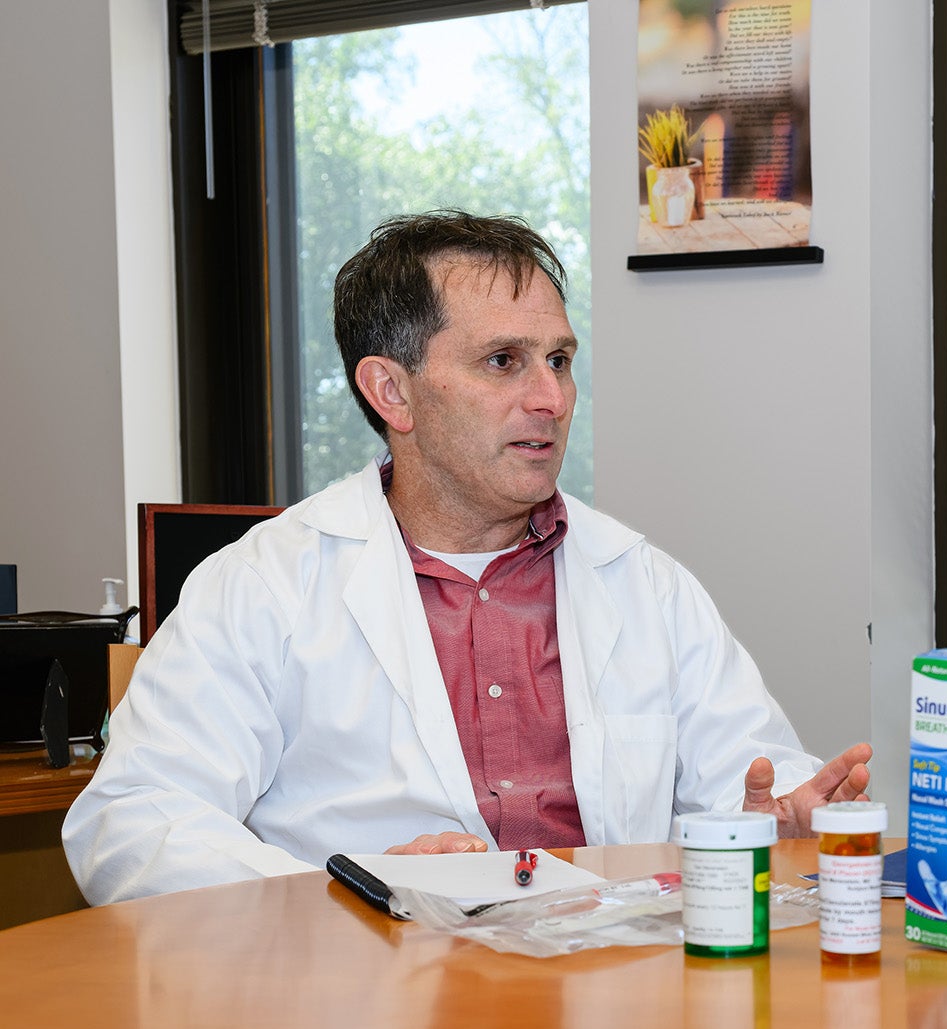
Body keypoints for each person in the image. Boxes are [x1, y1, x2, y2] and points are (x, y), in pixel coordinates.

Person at [64, 211, 870, 904]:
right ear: (392, 392)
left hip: (613, 1005)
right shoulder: (266, 585)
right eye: (502, 362)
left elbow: (755, 783)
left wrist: (785, 823)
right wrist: (341, 895)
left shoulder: (644, 583)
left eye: (559, 360)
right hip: (372, 1014)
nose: (551, 399)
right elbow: (130, 819)